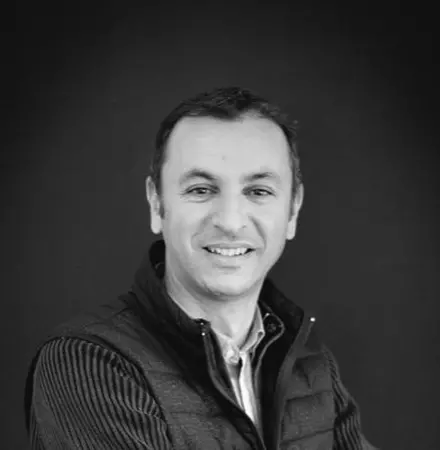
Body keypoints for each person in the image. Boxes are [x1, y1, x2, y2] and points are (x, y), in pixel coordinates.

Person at [24, 86, 377, 449]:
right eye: (201, 190)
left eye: (258, 191)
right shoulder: (88, 362)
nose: (230, 221)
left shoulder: (311, 365)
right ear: (156, 203)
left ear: (293, 210)